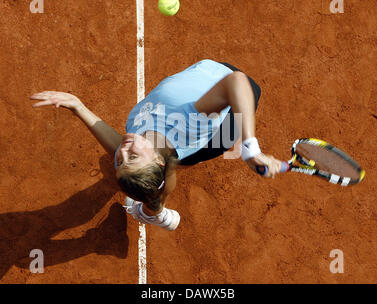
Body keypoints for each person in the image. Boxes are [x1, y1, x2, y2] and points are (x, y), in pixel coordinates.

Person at [30, 59, 282, 231]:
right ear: (156, 160)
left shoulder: (136, 143)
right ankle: (156, 212)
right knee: (179, 163)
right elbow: (239, 82)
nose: (124, 150)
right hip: (229, 108)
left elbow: (121, 148)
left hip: (210, 73)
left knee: (157, 171)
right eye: (133, 157)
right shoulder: (190, 122)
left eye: (120, 160)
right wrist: (250, 147)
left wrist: (78, 106)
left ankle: (153, 209)